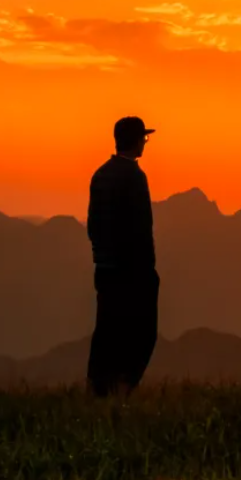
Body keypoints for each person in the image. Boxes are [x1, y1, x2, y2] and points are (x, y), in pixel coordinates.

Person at [85, 115, 160, 397]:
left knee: (106, 328)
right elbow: (143, 227)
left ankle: (98, 386)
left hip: (104, 268)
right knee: (143, 330)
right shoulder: (135, 177)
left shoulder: (100, 174)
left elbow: (93, 224)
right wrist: (148, 270)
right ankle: (126, 385)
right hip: (133, 270)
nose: (145, 142)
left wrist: (101, 256)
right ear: (136, 140)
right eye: (144, 137)